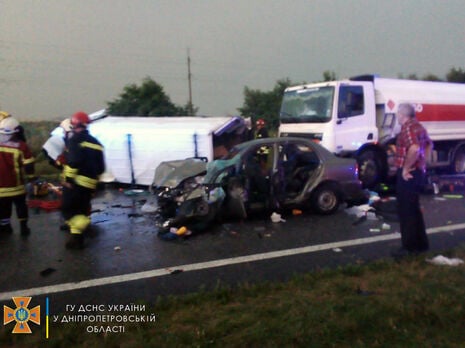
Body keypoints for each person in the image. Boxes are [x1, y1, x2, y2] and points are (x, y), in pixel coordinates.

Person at [392, 103, 433, 257]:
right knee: (415, 209)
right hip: (418, 173)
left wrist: (406, 168)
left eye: (397, 114)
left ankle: (408, 248)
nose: (397, 116)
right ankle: (421, 244)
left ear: (402, 115)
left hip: (408, 176)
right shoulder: (419, 127)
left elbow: (414, 148)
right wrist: (423, 164)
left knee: (406, 211)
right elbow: (429, 145)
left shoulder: (407, 128)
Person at [62, 111, 105, 249]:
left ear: (74, 124)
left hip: (77, 182)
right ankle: (76, 240)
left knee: (68, 210)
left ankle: (86, 227)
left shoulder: (75, 139)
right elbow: (101, 167)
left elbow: (74, 161)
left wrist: (68, 178)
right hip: (90, 183)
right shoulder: (96, 142)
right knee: (80, 210)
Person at [0, 116, 35, 235]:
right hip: (17, 185)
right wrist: (31, 179)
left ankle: (5, 227)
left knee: (3, 208)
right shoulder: (21, 146)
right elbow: (29, 165)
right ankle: (24, 228)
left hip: (1, 188)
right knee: (21, 206)